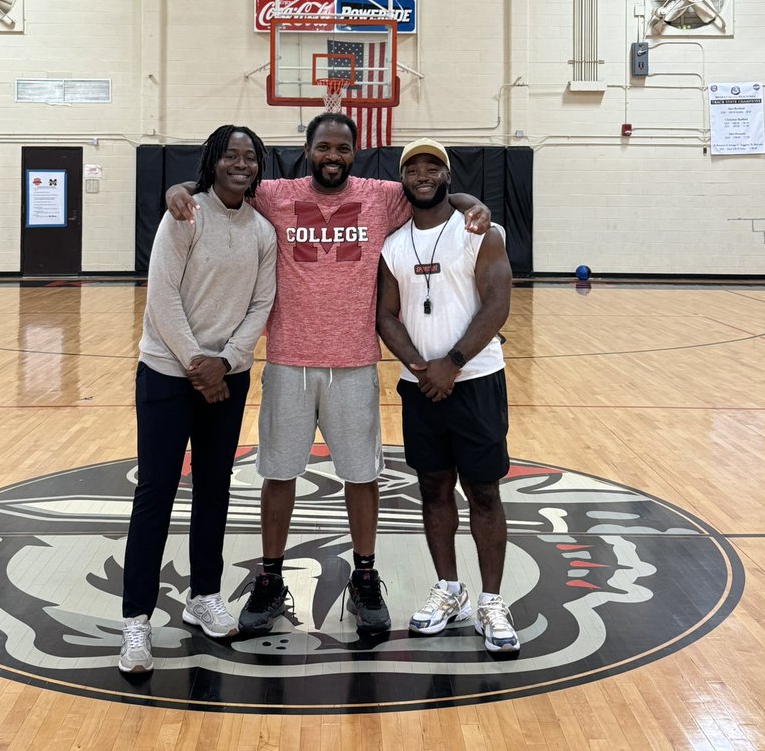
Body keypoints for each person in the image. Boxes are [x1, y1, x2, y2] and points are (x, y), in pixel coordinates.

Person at [165, 112, 489, 637]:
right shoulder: (275, 193)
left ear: (355, 152)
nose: (333, 156)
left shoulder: (383, 195)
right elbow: (221, 182)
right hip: (290, 359)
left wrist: (475, 204)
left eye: (342, 148)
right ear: (308, 149)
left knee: (361, 476)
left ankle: (364, 578)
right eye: (324, 147)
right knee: (279, 473)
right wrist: (179, 189)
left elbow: (438, 194)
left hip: (356, 361)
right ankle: (270, 579)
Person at [119, 126, 277, 675]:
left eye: (249, 157)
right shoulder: (183, 215)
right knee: (156, 493)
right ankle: (135, 622)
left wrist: (227, 361)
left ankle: (203, 596)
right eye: (231, 155)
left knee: (215, 488)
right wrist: (196, 364)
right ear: (212, 162)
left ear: (259, 165)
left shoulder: (262, 228)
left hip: (226, 377)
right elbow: (160, 294)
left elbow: (262, 303)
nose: (241, 164)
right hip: (167, 372)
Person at [376, 137, 520, 655]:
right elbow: (385, 315)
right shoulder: (393, 245)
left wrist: (452, 364)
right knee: (433, 491)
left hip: (476, 380)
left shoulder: (480, 231)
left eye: (432, 165)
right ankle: (449, 589)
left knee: (484, 493)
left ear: (447, 175)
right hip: (422, 388)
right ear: (402, 178)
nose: (422, 173)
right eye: (412, 166)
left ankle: (492, 600)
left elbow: (498, 303)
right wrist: (419, 366)